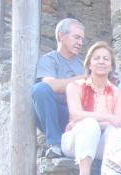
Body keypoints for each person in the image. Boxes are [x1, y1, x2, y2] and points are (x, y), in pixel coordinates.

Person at [62, 41, 121, 175]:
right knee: (89, 124)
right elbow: (76, 114)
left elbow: (120, 122)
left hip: (101, 144)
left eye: (106, 59)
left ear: (111, 66)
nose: (101, 62)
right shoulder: (75, 86)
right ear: (89, 64)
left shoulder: (119, 93)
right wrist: (108, 118)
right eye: (97, 58)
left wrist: (102, 122)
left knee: (115, 131)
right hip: (75, 141)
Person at [32, 18, 85, 158]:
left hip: (78, 117)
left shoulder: (84, 65)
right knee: (40, 89)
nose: (80, 43)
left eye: (82, 39)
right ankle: (55, 144)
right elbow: (50, 85)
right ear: (61, 36)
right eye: (77, 37)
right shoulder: (49, 60)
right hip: (54, 115)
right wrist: (83, 79)